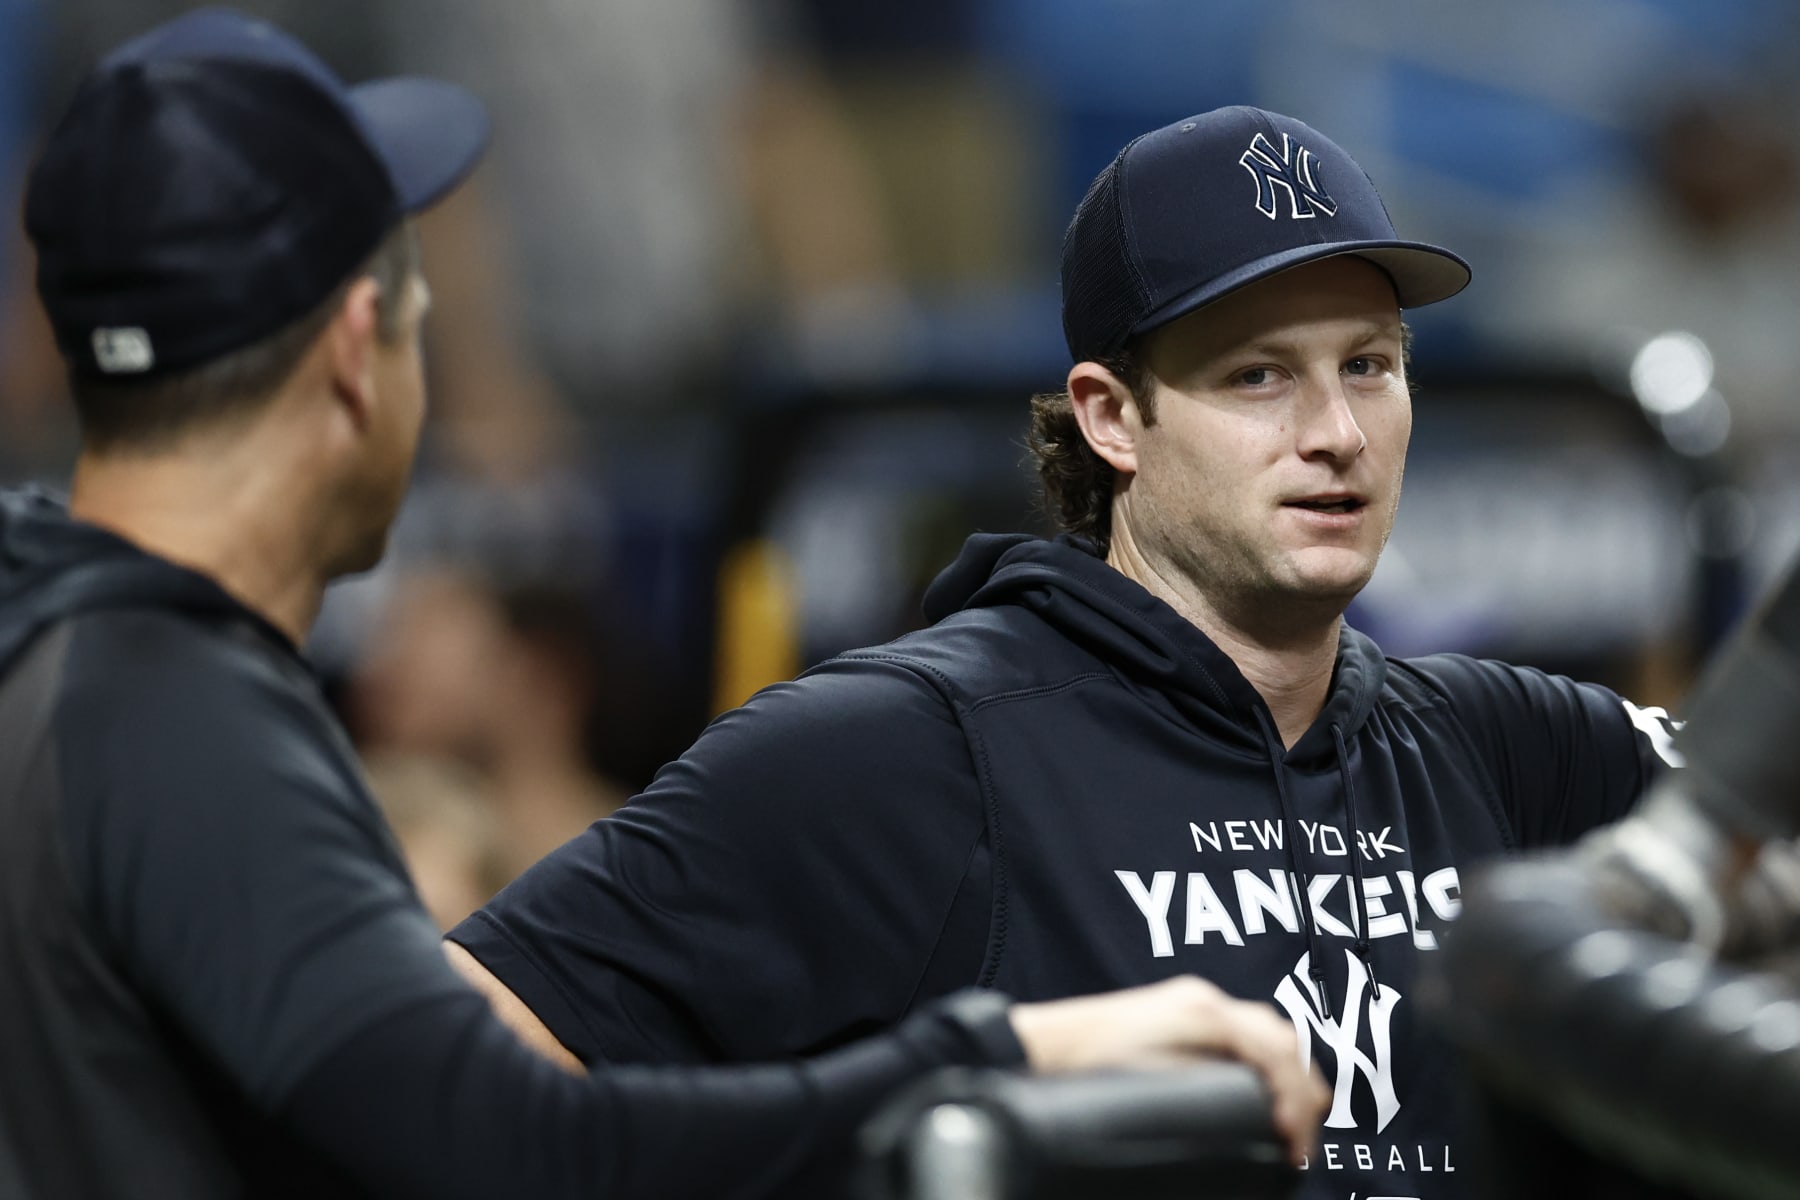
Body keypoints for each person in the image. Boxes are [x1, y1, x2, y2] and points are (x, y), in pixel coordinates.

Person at [0, 17, 1332, 1198]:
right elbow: (517, 1151)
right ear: (359, 353)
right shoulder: (173, 714)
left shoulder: (64, 648)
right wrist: (1011, 1049)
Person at [449, 105, 1684, 1199]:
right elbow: (444, 1066)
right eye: (1258, 378)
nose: (1338, 433)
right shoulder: (904, 750)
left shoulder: (1522, 747)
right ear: (1110, 418)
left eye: (1370, 366)